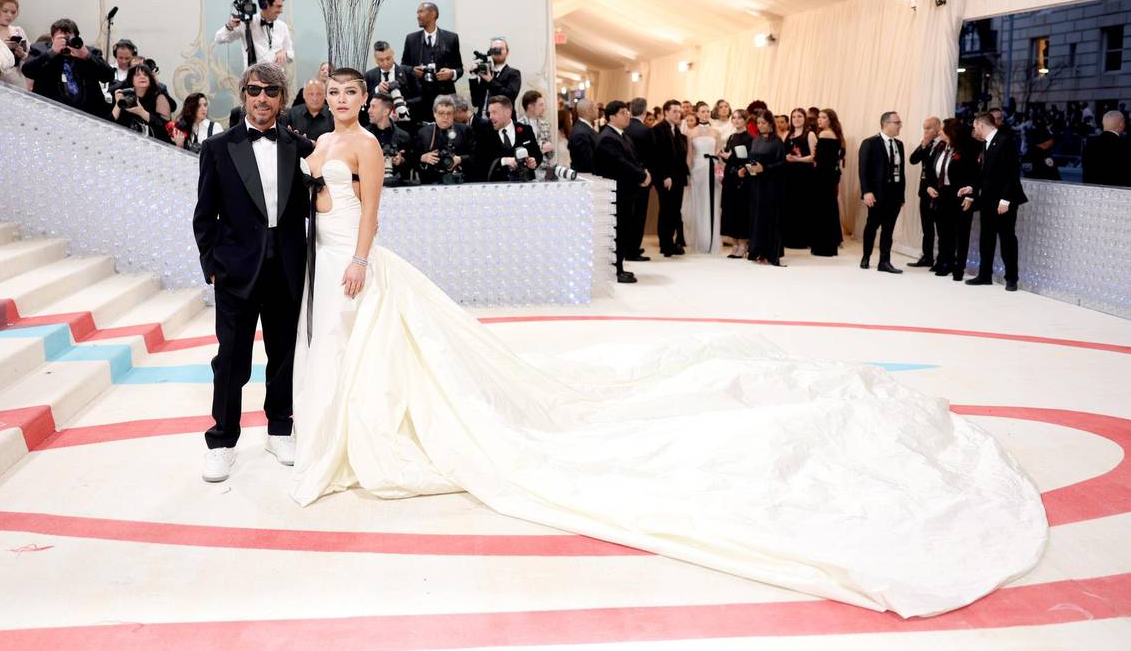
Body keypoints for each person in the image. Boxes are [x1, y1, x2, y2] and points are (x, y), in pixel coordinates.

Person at [283, 85, 1048, 623]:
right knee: (335, 352)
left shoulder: (371, 146)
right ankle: (328, 432)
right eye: (337, 95)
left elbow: (370, 209)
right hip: (319, 257)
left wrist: (355, 256)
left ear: (364, 102)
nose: (345, 104)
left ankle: (366, 434)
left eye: (353, 96)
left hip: (354, 260)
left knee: (384, 350)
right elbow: (314, 196)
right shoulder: (318, 142)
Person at [192, 62, 315, 483]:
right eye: (255, 90)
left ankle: (280, 428)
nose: (262, 98)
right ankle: (222, 441)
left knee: (283, 356)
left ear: (282, 99)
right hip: (236, 272)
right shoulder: (217, 148)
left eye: (271, 92)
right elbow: (204, 215)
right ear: (244, 94)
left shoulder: (300, 147)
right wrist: (212, 266)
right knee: (231, 360)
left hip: (286, 268)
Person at [966, 112, 1027, 291]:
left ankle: (1012, 278)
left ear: (982, 126)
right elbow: (983, 173)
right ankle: (985, 275)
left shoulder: (1004, 141)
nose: (974, 130)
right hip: (987, 200)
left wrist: (1005, 200)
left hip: (1003, 201)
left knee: (1007, 239)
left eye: (975, 127)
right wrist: (971, 189)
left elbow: (1011, 173)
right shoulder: (986, 144)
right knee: (987, 237)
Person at [594, 100, 650, 283]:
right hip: (617, 193)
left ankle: (619, 267)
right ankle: (616, 271)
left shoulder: (622, 135)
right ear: (612, 117)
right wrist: (641, 176)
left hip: (627, 192)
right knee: (617, 233)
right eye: (623, 112)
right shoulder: (608, 137)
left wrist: (644, 172)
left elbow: (634, 159)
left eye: (627, 112)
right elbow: (621, 164)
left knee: (623, 231)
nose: (628, 115)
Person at [22, 18, 114, 119]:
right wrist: (52, 52)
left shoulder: (90, 52)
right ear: (52, 38)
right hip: (52, 112)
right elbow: (27, 71)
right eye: (61, 38)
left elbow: (108, 76)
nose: (65, 42)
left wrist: (87, 56)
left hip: (87, 112)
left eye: (69, 38)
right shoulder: (40, 49)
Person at [930, 118, 979, 281]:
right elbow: (932, 169)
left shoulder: (967, 149)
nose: (939, 131)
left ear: (951, 131)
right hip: (942, 194)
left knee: (961, 233)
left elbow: (975, 175)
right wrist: (930, 186)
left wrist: (971, 195)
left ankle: (959, 267)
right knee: (944, 232)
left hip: (960, 196)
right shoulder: (941, 146)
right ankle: (946, 263)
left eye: (942, 129)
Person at [858, 112, 907, 273]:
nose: (900, 125)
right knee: (872, 226)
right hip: (877, 194)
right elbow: (863, 170)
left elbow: (902, 172)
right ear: (886, 123)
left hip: (894, 195)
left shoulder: (899, 144)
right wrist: (866, 192)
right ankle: (866, 256)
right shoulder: (870, 143)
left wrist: (901, 195)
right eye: (897, 122)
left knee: (889, 229)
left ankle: (884, 262)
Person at [401, 2, 462, 122]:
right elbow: (402, 66)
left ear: (433, 14)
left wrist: (451, 73)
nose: (418, 16)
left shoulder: (451, 38)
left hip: (444, 99)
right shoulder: (411, 39)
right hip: (418, 99)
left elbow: (459, 68)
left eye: (421, 12)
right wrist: (412, 71)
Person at [214, 0, 294, 69]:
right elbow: (218, 39)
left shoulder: (283, 26)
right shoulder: (246, 22)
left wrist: (285, 53)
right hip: (253, 78)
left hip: (277, 78)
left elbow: (291, 55)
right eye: (278, 6)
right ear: (265, 5)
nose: (281, 11)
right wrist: (229, 26)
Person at [746, 109, 786, 266]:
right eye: (758, 123)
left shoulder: (777, 142)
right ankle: (756, 251)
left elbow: (782, 164)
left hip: (771, 186)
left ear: (770, 124)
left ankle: (769, 253)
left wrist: (766, 168)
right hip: (756, 185)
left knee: (769, 218)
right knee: (757, 218)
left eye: (763, 123)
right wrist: (746, 169)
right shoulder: (755, 140)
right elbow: (751, 159)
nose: (760, 125)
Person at [475, 95, 540, 182]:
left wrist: (533, 161)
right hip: (497, 188)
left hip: (525, 185)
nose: (490, 117)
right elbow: (480, 162)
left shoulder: (526, 129)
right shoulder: (485, 133)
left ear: (507, 112)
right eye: (489, 113)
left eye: (494, 112)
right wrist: (503, 161)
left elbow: (537, 155)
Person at [684, 101, 722, 254]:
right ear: (697, 113)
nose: (705, 114)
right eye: (702, 111)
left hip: (712, 169)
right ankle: (700, 241)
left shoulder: (716, 132)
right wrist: (688, 174)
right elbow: (689, 156)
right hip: (697, 170)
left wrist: (720, 174)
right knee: (698, 205)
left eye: (707, 111)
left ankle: (711, 241)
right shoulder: (691, 133)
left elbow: (719, 156)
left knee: (712, 204)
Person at [652, 99, 688, 257]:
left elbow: (680, 155)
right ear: (665, 112)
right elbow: (657, 156)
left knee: (674, 211)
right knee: (666, 210)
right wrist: (664, 176)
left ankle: (670, 242)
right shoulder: (658, 129)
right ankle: (665, 244)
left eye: (679, 111)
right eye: (674, 111)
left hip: (678, 178)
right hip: (666, 178)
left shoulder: (677, 129)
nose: (678, 114)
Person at [907, 117, 943, 268]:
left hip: (938, 191)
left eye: (928, 128)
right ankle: (927, 257)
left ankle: (942, 259)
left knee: (941, 228)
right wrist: (923, 145)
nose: (925, 131)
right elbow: (913, 160)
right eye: (924, 128)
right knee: (926, 227)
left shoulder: (943, 144)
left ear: (937, 128)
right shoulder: (926, 144)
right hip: (924, 191)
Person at [718, 109, 752, 258]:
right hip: (730, 177)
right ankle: (735, 243)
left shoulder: (750, 138)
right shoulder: (732, 137)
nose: (736, 121)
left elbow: (748, 159)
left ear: (745, 120)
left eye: (739, 118)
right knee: (729, 210)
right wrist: (724, 156)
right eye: (734, 118)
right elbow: (729, 156)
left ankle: (743, 244)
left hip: (742, 178)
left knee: (741, 211)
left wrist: (734, 160)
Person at [416, 95, 473, 185]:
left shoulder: (465, 130)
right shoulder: (423, 133)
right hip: (431, 181)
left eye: (449, 113)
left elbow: (477, 156)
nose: (445, 117)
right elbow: (411, 158)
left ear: (454, 114)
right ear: (434, 114)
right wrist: (422, 158)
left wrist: (460, 159)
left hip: (459, 181)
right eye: (441, 113)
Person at [624, 97, 655, 262]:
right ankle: (633, 249)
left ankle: (628, 246)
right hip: (643, 177)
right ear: (645, 110)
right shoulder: (646, 131)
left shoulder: (625, 128)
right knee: (639, 215)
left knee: (628, 214)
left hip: (627, 177)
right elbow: (652, 157)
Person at [809, 108, 843, 258]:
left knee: (822, 210)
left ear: (830, 120)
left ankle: (823, 247)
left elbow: (819, 159)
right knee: (829, 209)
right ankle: (829, 245)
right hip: (831, 176)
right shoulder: (837, 135)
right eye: (819, 117)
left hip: (823, 176)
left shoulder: (824, 134)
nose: (819, 120)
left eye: (823, 117)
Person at [111, 63, 173, 141]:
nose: (142, 77)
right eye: (137, 75)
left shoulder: (159, 97)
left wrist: (142, 113)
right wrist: (118, 104)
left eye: (146, 75)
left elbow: (166, 127)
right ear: (131, 79)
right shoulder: (126, 94)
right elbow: (111, 122)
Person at [782, 109, 814, 250]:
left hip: (804, 174)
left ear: (804, 118)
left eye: (799, 116)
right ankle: (789, 238)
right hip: (789, 174)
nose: (796, 119)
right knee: (790, 205)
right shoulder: (788, 135)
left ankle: (801, 240)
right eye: (794, 116)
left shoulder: (810, 134)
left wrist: (798, 159)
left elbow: (814, 156)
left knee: (802, 205)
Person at [363, 41, 420, 119]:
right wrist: (377, 90)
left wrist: (404, 103)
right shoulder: (369, 76)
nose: (385, 63)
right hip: (378, 122)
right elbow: (363, 101)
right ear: (375, 59)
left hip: (404, 121)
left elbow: (421, 97)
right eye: (381, 60)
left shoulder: (407, 73)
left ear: (393, 54)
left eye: (388, 58)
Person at [366, 91, 415, 181]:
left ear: (386, 112)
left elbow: (412, 165)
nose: (369, 110)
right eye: (370, 106)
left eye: (373, 107)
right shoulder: (364, 136)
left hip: (396, 187)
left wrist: (401, 161)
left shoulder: (403, 137)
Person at [469, 37, 521, 119]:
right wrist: (473, 76)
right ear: (490, 52)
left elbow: (510, 96)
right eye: (494, 49)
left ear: (507, 52)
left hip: (503, 122)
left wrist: (490, 80)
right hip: (482, 122)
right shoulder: (486, 72)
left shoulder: (513, 73)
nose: (498, 52)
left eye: (501, 49)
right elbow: (475, 102)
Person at [1081, 111, 1129, 186]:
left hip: (1092, 192)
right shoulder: (1125, 144)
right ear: (1121, 124)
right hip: (1118, 193)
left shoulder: (1090, 143)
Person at [567, 98, 600, 174]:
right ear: (588, 111)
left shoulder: (585, 128)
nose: (598, 110)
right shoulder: (581, 132)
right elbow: (587, 162)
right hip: (587, 177)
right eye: (595, 108)